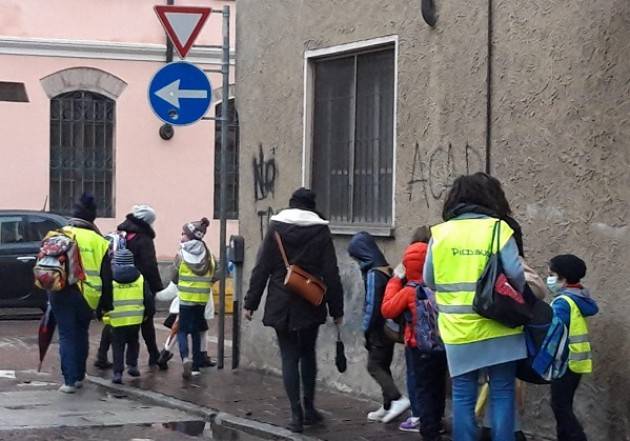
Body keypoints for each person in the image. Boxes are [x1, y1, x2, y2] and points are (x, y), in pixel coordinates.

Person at [423, 172, 526, 441]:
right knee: (503, 391)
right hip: (499, 324)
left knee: (463, 393)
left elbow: (428, 279)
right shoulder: (498, 228)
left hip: (458, 329)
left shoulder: (440, 233)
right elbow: (516, 274)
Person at [244, 188, 344, 433]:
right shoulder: (320, 230)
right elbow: (331, 271)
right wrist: (336, 308)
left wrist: (250, 303)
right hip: (310, 300)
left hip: (280, 300)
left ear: (291, 204)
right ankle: (309, 409)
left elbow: (262, 268)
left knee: (289, 356)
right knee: (307, 352)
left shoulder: (276, 228)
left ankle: (295, 415)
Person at [382, 232, 447, 441]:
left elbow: (388, 309)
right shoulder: (439, 287)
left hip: (417, 345)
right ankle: (437, 423)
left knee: (423, 388)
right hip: (442, 343)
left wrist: (394, 280)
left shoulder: (411, 290)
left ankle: (428, 430)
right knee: (438, 386)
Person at [49, 193, 112, 393]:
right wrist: (106, 303)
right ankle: (78, 376)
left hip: (60, 289)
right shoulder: (100, 241)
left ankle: (68, 381)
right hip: (88, 295)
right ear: (92, 218)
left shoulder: (59, 233)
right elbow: (107, 276)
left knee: (67, 335)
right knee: (81, 333)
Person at [348, 232, 410, 424]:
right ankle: (387, 405)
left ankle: (398, 399)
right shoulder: (385, 269)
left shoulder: (374, 274)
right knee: (383, 365)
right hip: (387, 329)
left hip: (379, 330)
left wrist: (366, 330)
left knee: (374, 366)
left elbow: (372, 305)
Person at [548, 255, 597, 441]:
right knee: (563, 403)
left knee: (560, 406)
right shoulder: (581, 297)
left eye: (552, 275)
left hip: (563, 360)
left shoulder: (563, 303)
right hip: (575, 361)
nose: (549, 279)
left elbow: (552, 329)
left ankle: (577, 437)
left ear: (563, 279)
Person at [117, 205, 163, 366]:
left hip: (118, 282)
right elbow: (150, 264)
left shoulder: (122, 234)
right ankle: (153, 354)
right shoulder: (144, 238)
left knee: (116, 321)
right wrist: (157, 287)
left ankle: (103, 355)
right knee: (146, 319)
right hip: (140, 285)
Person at [101, 249, 154, 384]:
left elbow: (104, 298)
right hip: (135, 318)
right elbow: (148, 298)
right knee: (133, 342)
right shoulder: (140, 278)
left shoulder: (110, 278)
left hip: (117, 319)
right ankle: (132, 365)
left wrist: (101, 313)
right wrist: (148, 313)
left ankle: (118, 373)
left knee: (117, 346)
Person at [173, 217, 215, 379]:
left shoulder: (181, 253)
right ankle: (196, 366)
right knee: (196, 331)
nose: (181, 236)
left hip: (185, 299)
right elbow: (215, 272)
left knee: (182, 331)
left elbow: (175, 274)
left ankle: (185, 358)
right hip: (201, 299)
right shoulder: (208, 254)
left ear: (190, 236)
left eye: (183, 233)